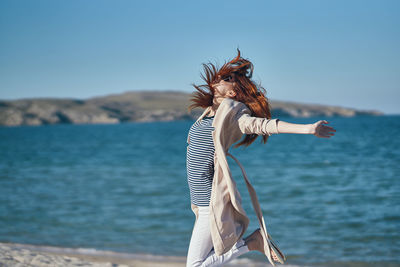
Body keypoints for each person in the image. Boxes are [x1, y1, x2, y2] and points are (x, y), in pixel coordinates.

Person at [185, 49, 336, 267]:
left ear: (232, 94)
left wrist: (309, 128)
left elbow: (263, 125)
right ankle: (253, 242)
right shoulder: (208, 112)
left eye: (228, 79)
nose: (221, 78)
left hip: (210, 201)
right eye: (223, 76)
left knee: (195, 265)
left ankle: (252, 243)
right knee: (205, 260)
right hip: (199, 202)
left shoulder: (235, 113)